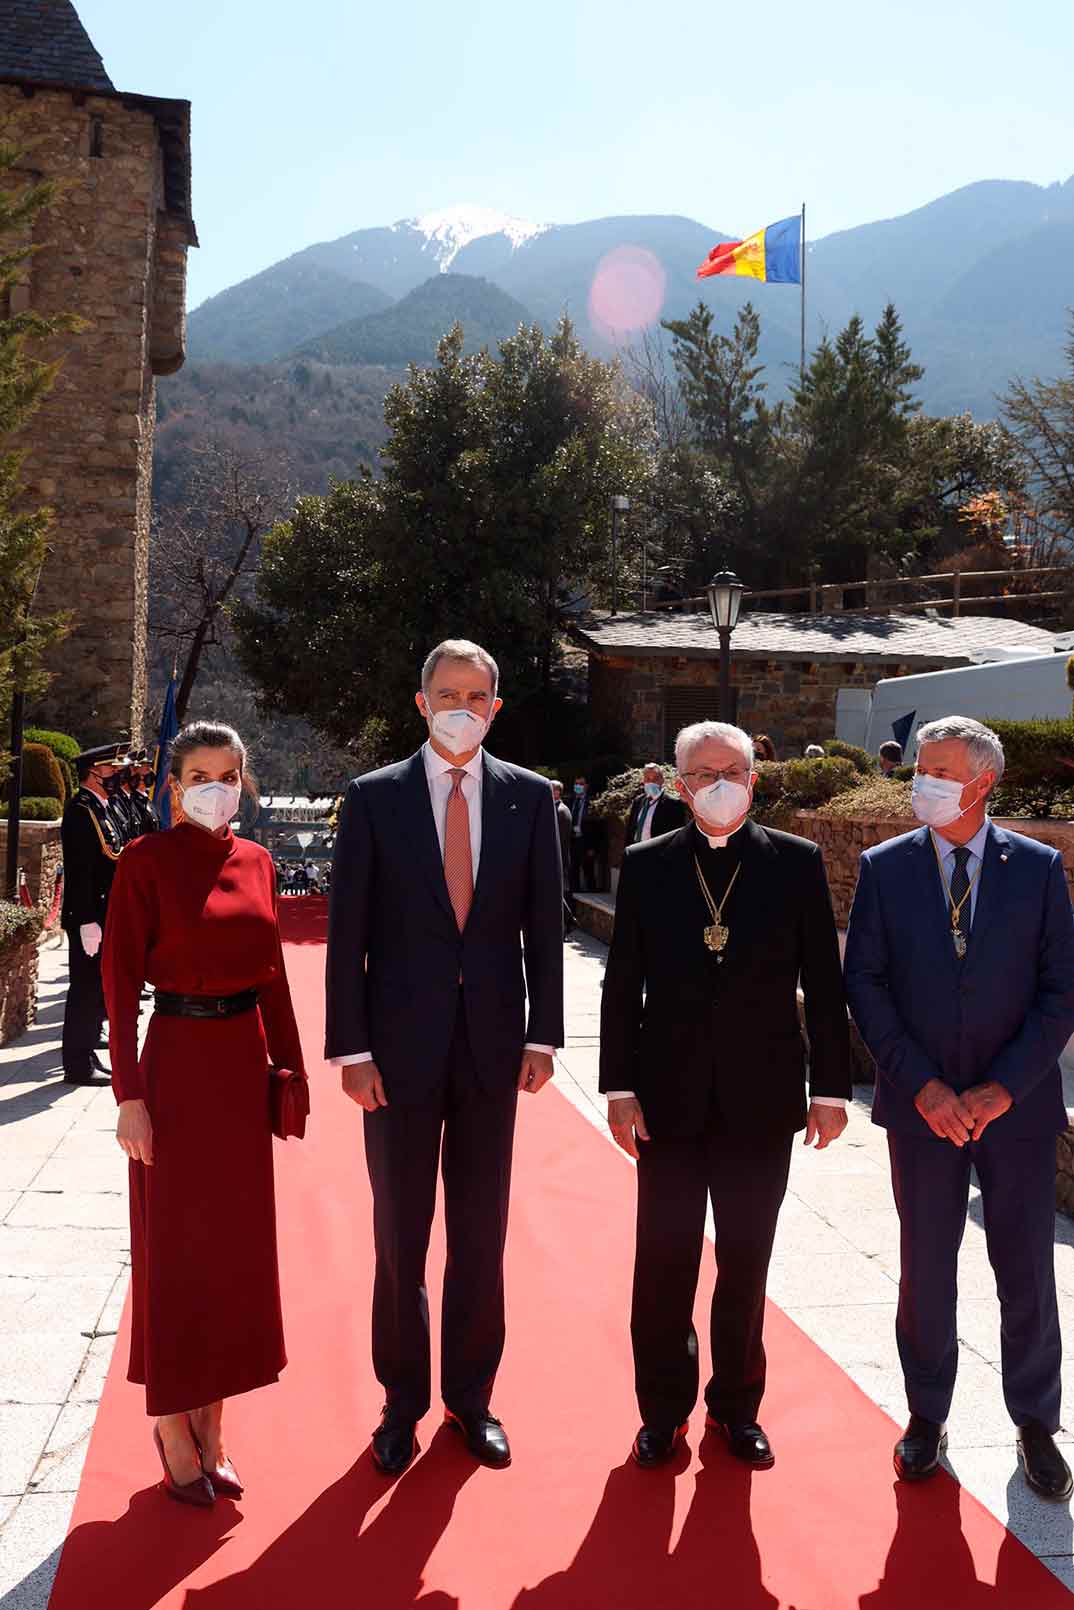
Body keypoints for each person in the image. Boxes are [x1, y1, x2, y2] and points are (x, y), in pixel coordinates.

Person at [326, 638, 564, 1477]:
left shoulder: (531, 800)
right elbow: (346, 933)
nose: (462, 704)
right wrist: (350, 1048)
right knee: (400, 1232)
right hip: (393, 1053)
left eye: (478, 693)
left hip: (495, 1051)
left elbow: (545, 923)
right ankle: (401, 1401)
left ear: (496, 707)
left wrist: (544, 1036)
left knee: (480, 1230)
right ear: (421, 701)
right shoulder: (373, 798)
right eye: (447, 691)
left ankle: (472, 1398)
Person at [600, 720, 850, 1469]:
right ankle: (662, 1411)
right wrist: (618, 1087)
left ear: (755, 779)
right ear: (679, 785)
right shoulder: (646, 865)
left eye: (732, 771)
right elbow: (622, 986)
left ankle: (736, 1409)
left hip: (764, 1097)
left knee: (747, 1262)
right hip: (666, 1097)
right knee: (664, 1262)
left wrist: (831, 1090)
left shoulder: (797, 863)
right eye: (703, 773)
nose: (718, 784)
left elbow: (826, 987)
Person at [844, 716, 1074, 1501]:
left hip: (1020, 1109)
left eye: (940, 770)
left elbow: (1060, 991)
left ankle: (1037, 1422)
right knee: (925, 1266)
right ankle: (926, 1417)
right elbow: (865, 985)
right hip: (923, 1109)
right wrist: (925, 1087)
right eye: (920, 767)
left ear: (982, 783)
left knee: (1027, 1270)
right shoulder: (883, 867)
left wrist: (1002, 1087)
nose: (923, 781)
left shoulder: (1039, 869)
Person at [102, 720, 306, 1508]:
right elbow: (120, 993)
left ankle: (215, 1425)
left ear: (243, 781)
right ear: (173, 784)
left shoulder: (257, 861)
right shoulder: (144, 863)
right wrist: (129, 1098)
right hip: (177, 1067)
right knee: (178, 1253)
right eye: (198, 775)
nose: (214, 787)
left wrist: (288, 1069)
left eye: (228, 774)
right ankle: (171, 1423)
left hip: (239, 1070)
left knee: (235, 1258)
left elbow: (275, 978)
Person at [60, 743, 131, 1084]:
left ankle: (87, 1052)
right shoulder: (80, 810)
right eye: (110, 769)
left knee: (94, 989)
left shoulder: (102, 807)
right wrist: (87, 918)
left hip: (104, 913)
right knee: (84, 990)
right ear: (93, 772)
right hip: (90, 916)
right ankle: (76, 1064)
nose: (116, 774)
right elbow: (81, 869)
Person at [625, 763, 687, 844]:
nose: (651, 782)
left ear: (662, 780)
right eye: (648, 779)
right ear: (643, 781)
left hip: (658, 853)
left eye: (655, 779)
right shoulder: (638, 802)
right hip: (636, 851)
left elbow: (676, 835)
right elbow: (630, 830)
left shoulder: (673, 804)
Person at [550, 780, 575, 934]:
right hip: (554, 859)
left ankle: (568, 921)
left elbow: (559, 839)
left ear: (557, 792)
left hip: (557, 859)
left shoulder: (561, 811)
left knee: (556, 894)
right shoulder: (555, 809)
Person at [569, 775, 590, 891]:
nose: (578, 786)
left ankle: (590, 889)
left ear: (586, 786)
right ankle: (574, 889)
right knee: (573, 866)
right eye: (576, 784)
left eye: (581, 784)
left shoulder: (590, 801)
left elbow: (595, 825)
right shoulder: (571, 801)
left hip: (585, 838)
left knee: (587, 866)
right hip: (573, 838)